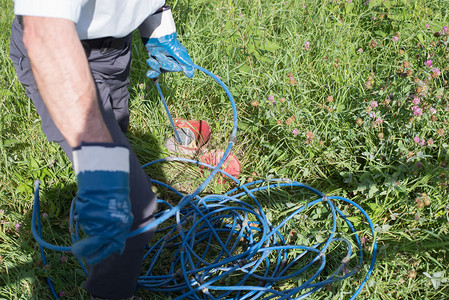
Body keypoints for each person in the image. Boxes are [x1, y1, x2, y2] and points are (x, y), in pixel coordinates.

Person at [9, 1, 194, 299]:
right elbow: (45, 29)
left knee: (118, 132)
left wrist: (158, 25)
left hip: (115, 51)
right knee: (133, 208)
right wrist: (100, 161)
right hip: (59, 55)